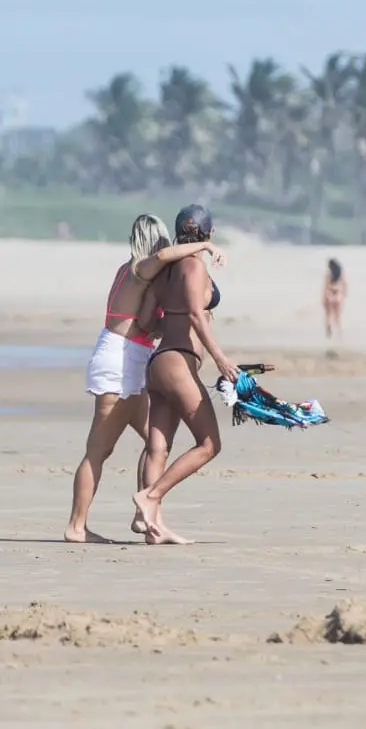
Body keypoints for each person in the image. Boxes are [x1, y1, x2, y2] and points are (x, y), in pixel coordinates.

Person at [65, 214, 226, 544]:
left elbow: (144, 322)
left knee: (155, 445)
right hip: (121, 361)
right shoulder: (142, 266)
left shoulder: (137, 273)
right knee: (100, 448)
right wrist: (207, 245)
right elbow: (167, 258)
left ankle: (148, 518)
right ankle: (80, 526)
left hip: (132, 360)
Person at [132, 205, 239, 544]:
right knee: (209, 444)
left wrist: (174, 320)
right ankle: (150, 497)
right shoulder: (193, 265)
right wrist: (220, 357)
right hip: (179, 363)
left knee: (157, 449)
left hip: (160, 361)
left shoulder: (163, 272)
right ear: (208, 234)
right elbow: (195, 312)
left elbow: (147, 323)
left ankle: (152, 526)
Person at [322, 258, 347, 339]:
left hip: (329, 294)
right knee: (338, 316)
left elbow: (325, 286)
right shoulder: (341, 274)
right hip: (338, 295)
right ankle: (339, 334)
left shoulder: (328, 274)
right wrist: (344, 294)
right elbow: (344, 284)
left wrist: (323, 297)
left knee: (328, 315)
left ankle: (328, 334)